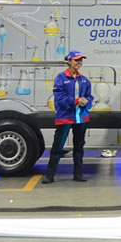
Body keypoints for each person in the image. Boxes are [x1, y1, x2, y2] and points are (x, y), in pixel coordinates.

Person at [42, 50, 94, 184]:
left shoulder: (84, 80)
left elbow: (90, 96)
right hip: (64, 117)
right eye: (76, 60)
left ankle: (78, 174)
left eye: (81, 60)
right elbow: (59, 98)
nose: (79, 62)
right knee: (58, 147)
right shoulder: (61, 78)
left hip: (81, 119)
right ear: (69, 61)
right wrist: (76, 101)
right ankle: (49, 175)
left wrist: (87, 102)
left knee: (79, 147)